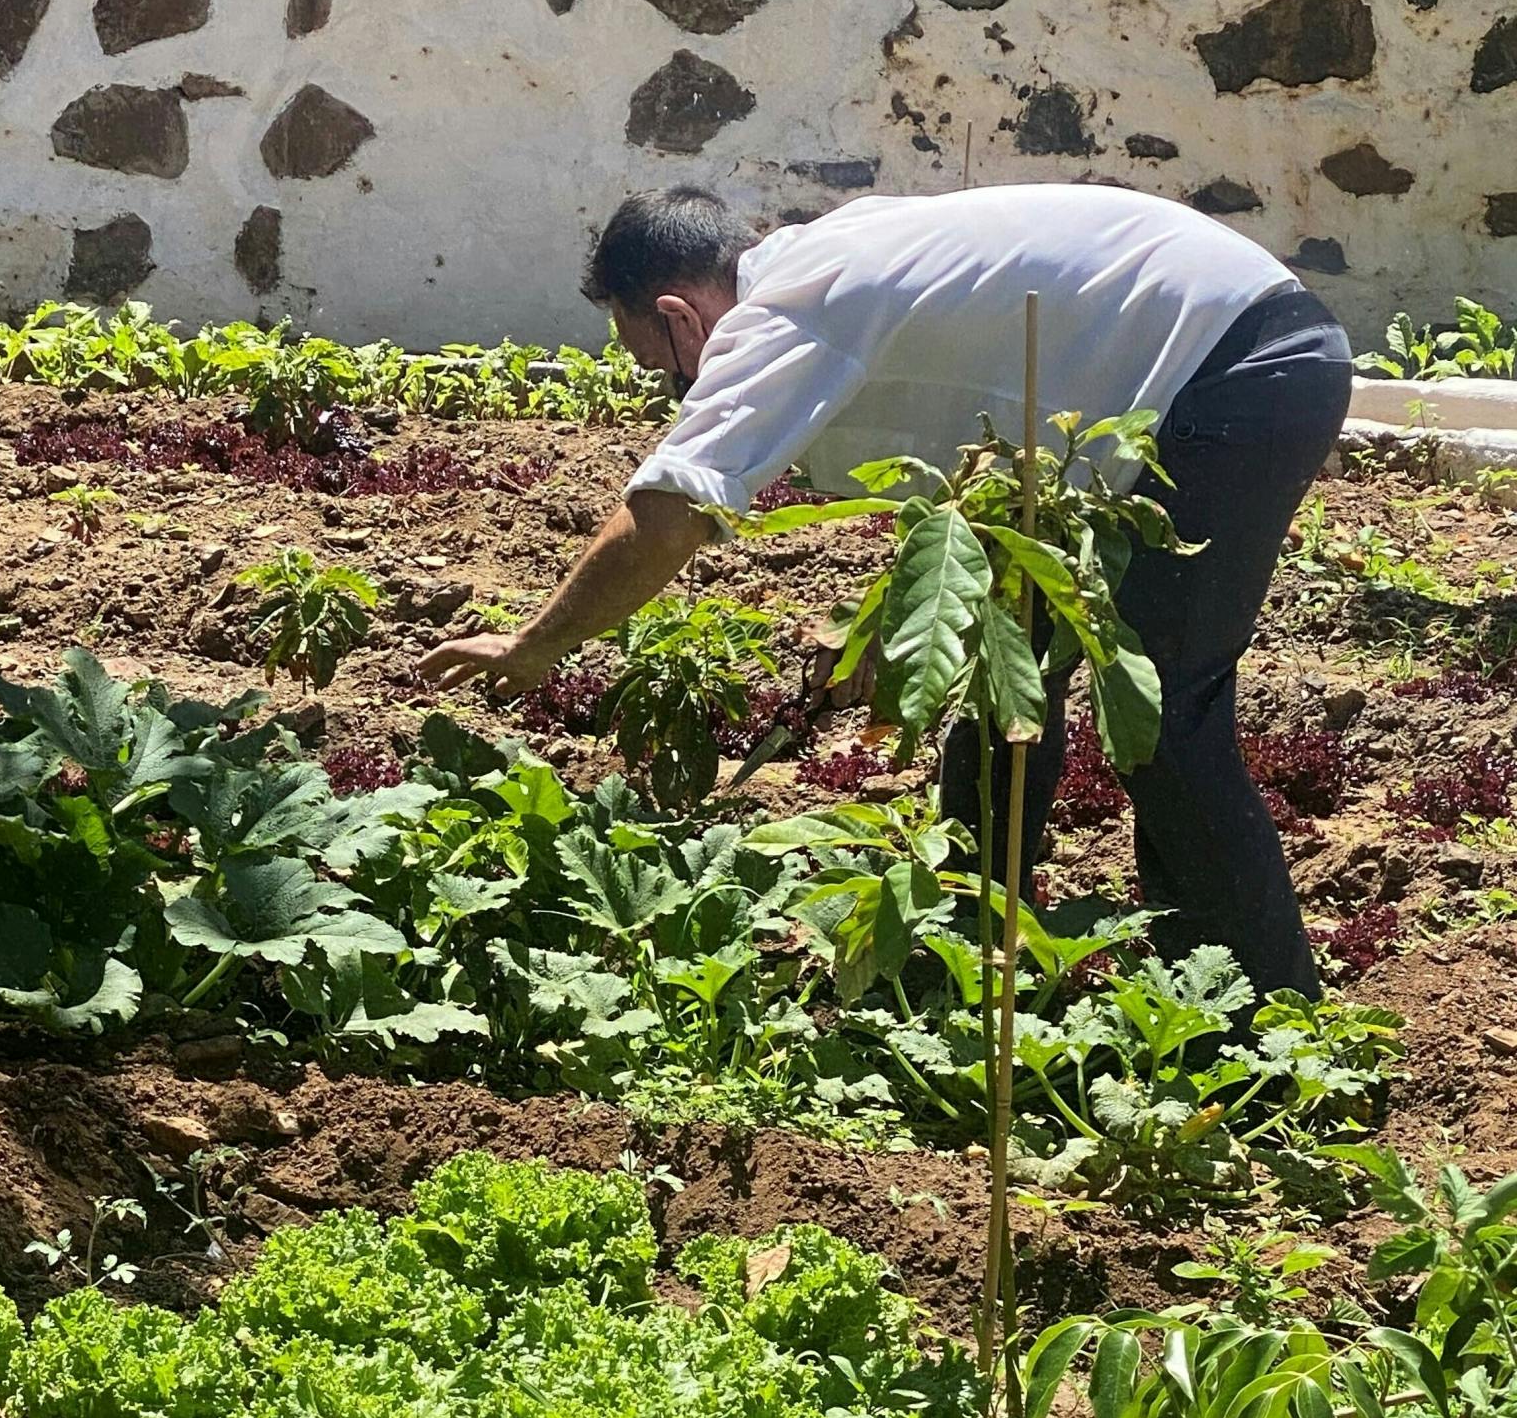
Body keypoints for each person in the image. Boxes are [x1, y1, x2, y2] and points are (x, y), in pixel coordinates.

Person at [419, 181, 1353, 1001]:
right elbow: (982, 481)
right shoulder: (833, 258)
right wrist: (889, 623)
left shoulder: (783, 312)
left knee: (1163, 712)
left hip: (1238, 371)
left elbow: (669, 514)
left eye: (665, 374)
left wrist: (532, 643)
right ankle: (968, 940)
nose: (679, 392)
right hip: (1227, 352)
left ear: (680, 315)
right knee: (1008, 670)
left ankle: (1258, 1018)